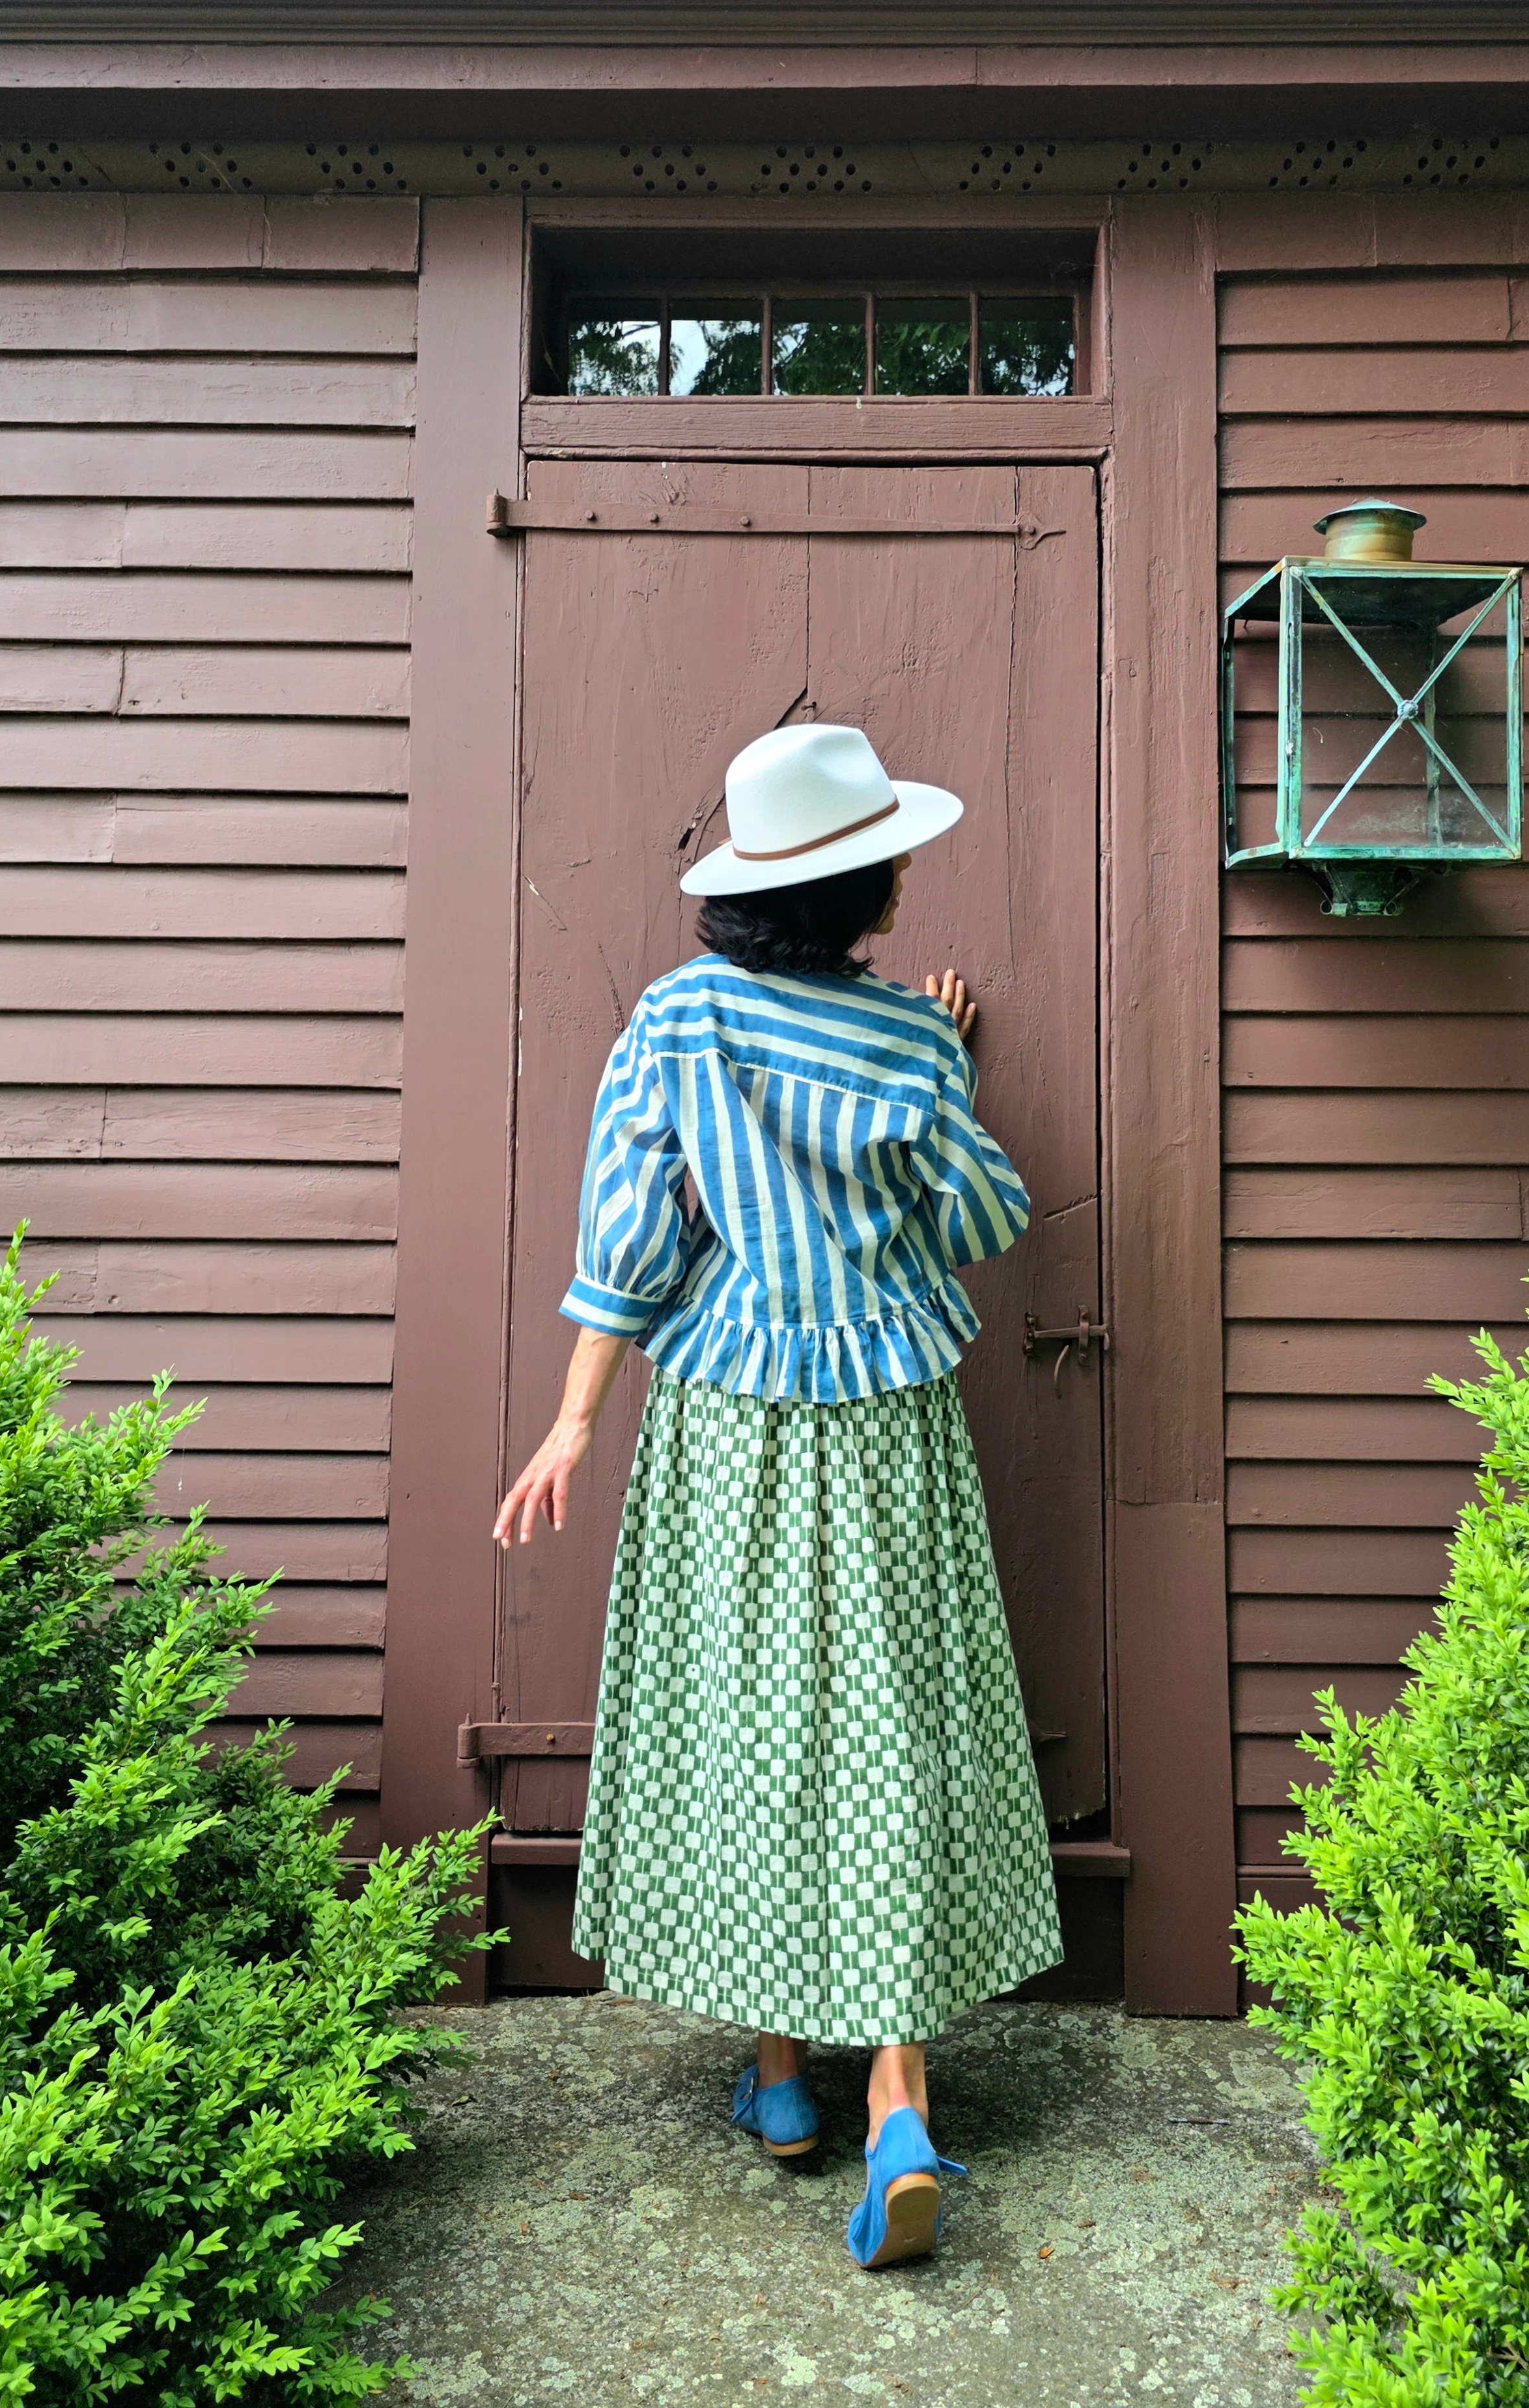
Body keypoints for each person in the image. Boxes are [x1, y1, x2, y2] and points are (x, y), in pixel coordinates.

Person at [494, 722, 1062, 2272]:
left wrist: (567, 1422)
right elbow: (977, 1217)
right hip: (887, 1422)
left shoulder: (679, 1020)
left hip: (728, 1423)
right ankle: (895, 2105)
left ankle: (775, 2083)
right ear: (869, 891)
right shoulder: (909, 1043)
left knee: (747, 1716)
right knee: (884, 1718)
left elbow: (631, 1242)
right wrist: (942, 1070)